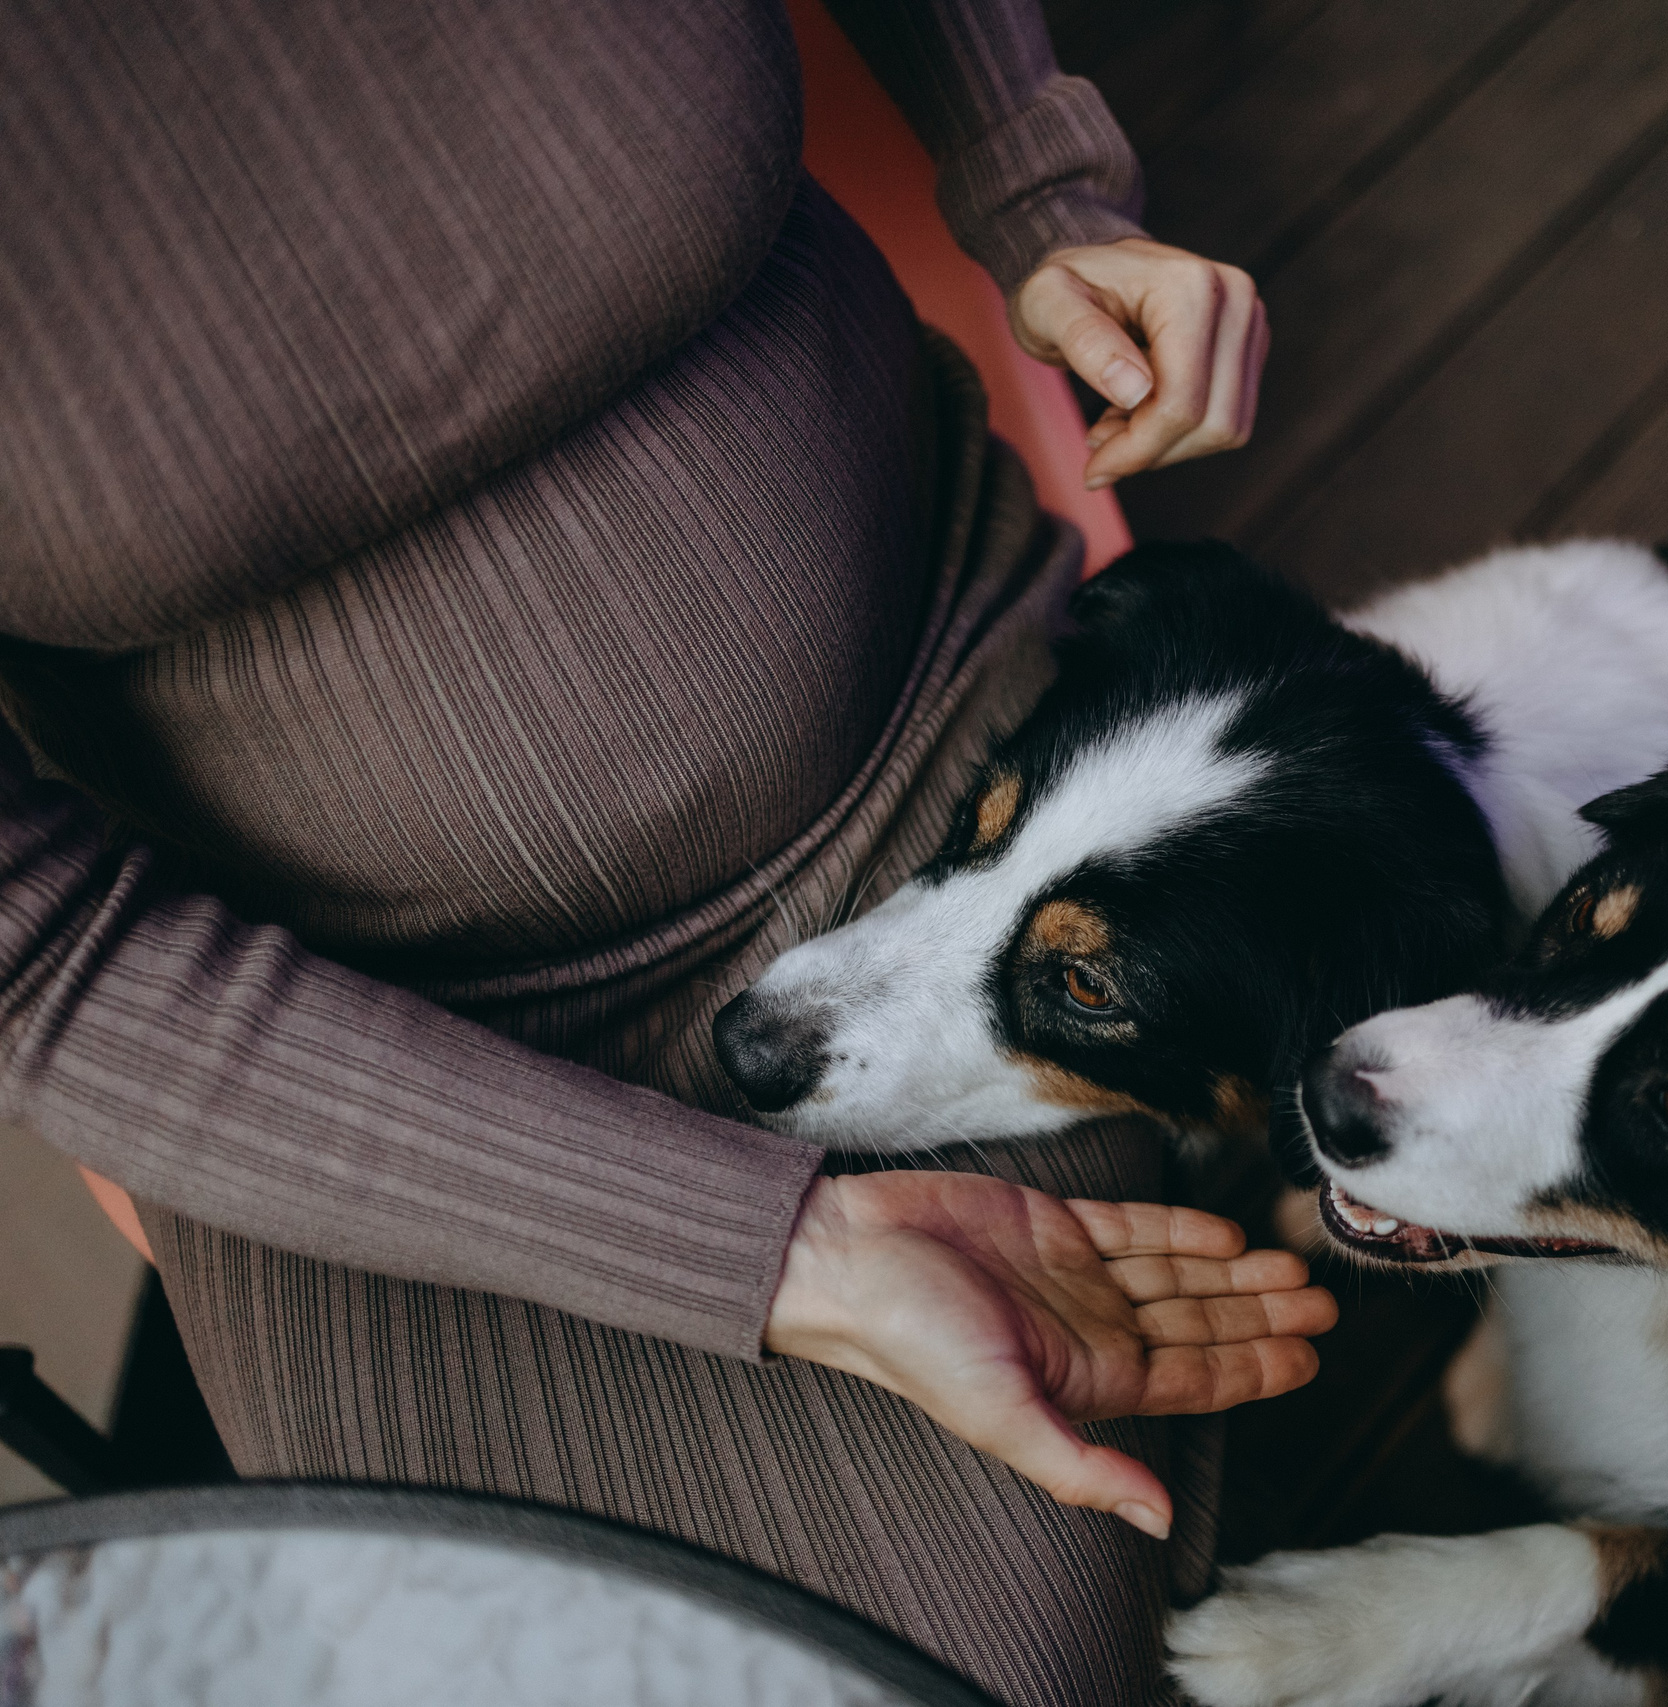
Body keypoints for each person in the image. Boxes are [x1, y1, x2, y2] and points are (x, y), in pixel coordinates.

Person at [0, 1, 1313, 1700]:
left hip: (936, 777)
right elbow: (40, 962)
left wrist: (1042, 179)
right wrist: (776, 1255)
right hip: (398, 1062)